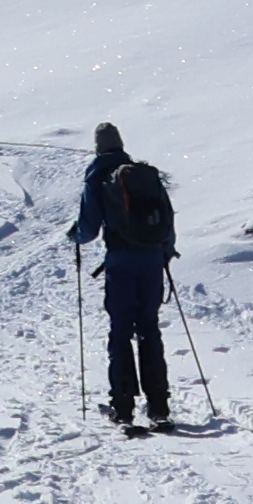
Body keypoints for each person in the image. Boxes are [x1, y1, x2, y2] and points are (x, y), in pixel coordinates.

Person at [67, 124, 176, 428]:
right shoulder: (145, 175)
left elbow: (87, 230)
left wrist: (73, 237)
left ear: (98, 148)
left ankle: (124, 408)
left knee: (121, 330)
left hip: (121, 262)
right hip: (152, 260)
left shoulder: (98, 176)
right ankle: (159, 407)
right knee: (149, 329)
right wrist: (163, 254)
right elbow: (167, 220)